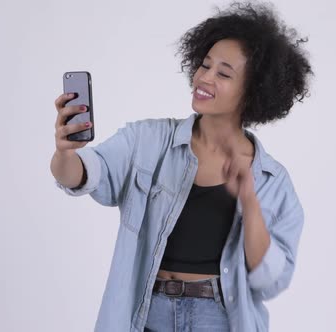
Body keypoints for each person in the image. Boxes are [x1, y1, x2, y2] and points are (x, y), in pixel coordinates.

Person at [51, 2, 312, 331]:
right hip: (146, 313)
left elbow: (270, 280)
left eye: (223, 73)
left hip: (219, 319)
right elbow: (88, 173)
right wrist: (65, 152)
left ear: (252, 92)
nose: (204, 77)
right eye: (205, 65)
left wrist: (249, 201)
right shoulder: (148, 140)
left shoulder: (273, 181)